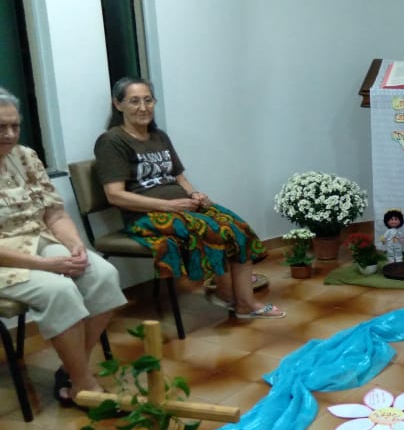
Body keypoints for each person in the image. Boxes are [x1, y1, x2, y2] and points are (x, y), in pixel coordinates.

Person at [93, 77, 284, 319]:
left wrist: (195, 194)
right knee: (214, 231)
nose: (143, 107)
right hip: (144, 216)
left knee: (238, 227)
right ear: (118, 105)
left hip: (181, 206)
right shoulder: (111, 141)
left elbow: (179, 177)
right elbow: (115, 196)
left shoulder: (159, 136)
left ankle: (244, 303)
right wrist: (168, 206)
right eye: (134, 101)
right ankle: (230, 297)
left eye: (148, 100)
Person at [0, 87, 128, 406]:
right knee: (60, 290)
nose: (10, 134)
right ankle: (83, 383)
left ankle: (71, 371)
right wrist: (46, 266)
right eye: (1, 127)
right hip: (6, 259)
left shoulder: (25, 156)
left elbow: (54, 212)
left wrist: (75, 245)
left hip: (38, 240)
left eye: (15, 126)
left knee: (102, 274)